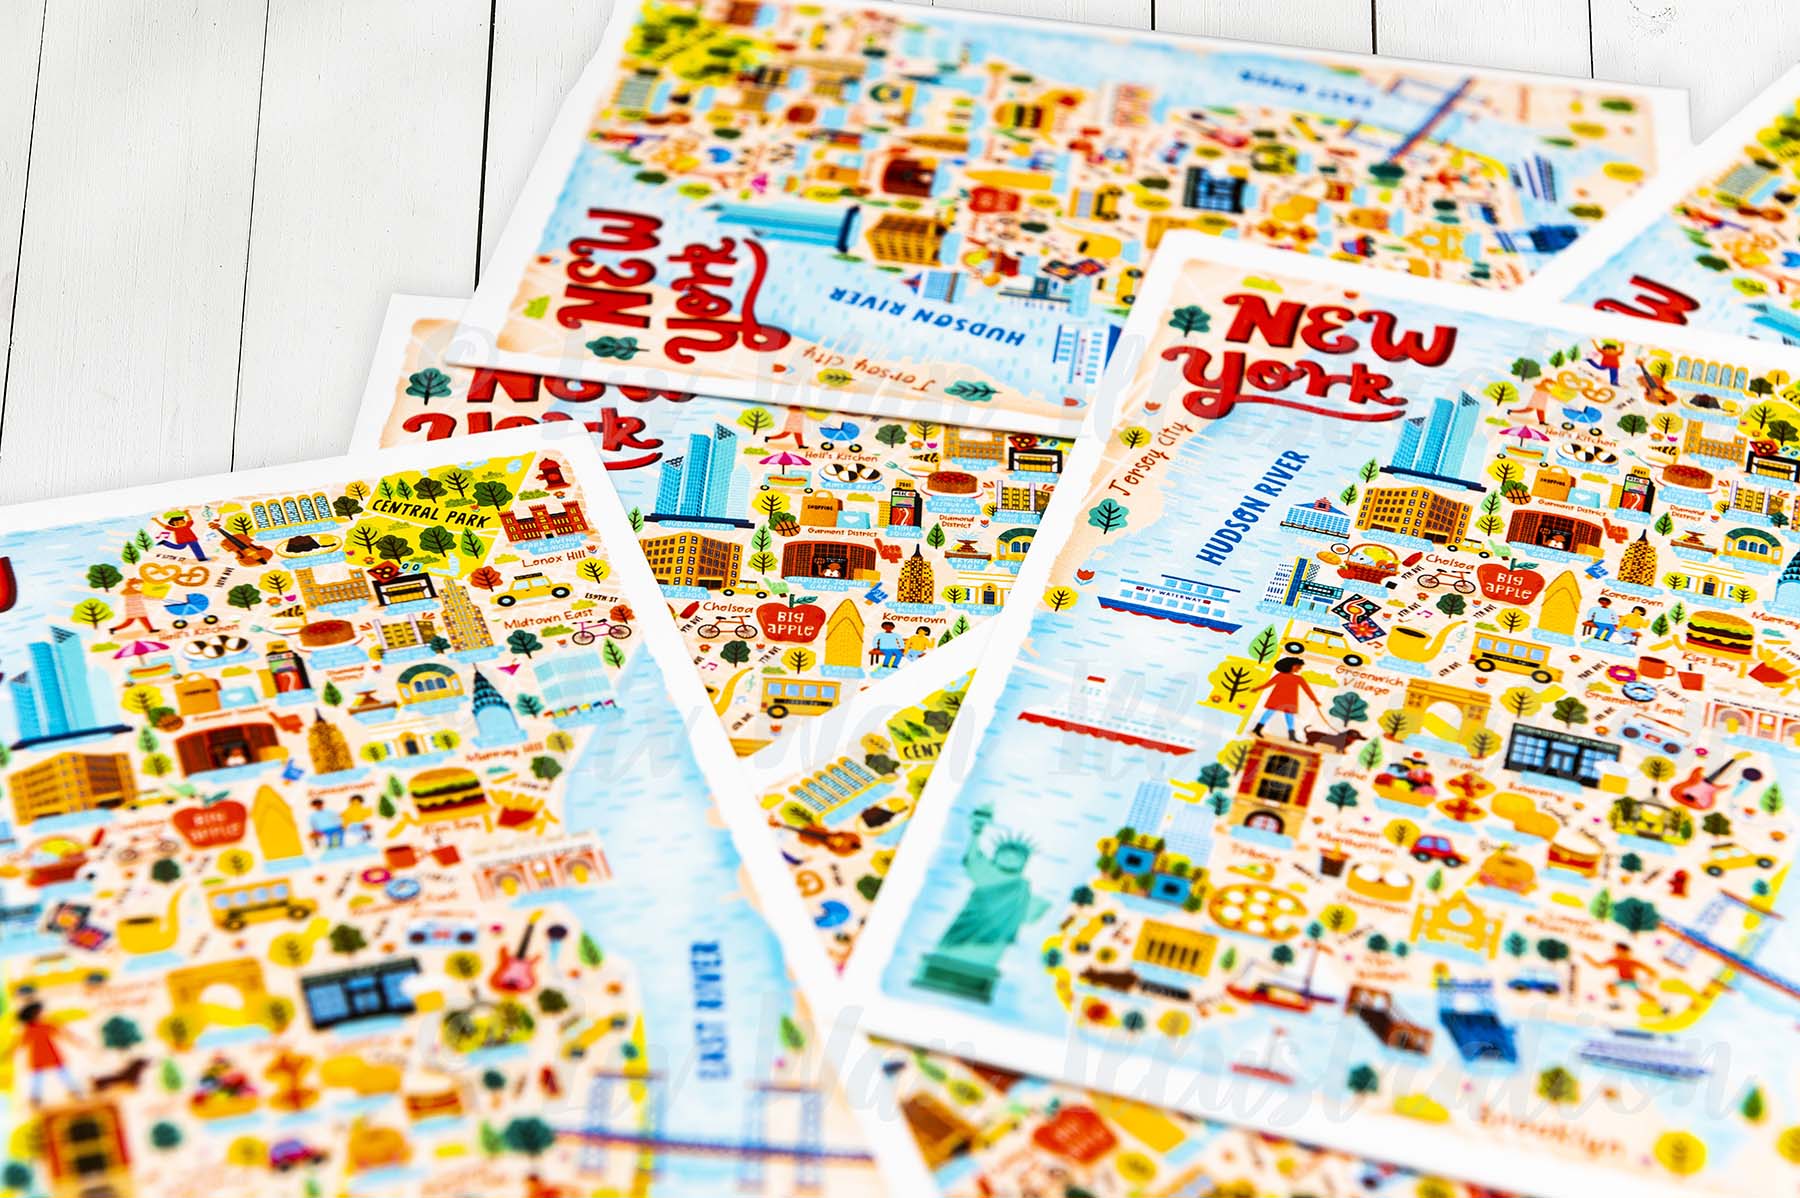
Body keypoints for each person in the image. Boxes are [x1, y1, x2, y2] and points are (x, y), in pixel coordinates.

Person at [12, 1001, 84, 1106]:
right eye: (41, 1012)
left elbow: (64, 1033)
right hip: (40, 1055)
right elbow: (20, 1044)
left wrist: (77, 1041)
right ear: (34, 1015)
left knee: (61, 1073)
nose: (44, 1013)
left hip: (47, 1054)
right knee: (40, 1077)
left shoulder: (46, 1025)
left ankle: (74, 1091)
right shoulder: (31, 1029)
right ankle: (36, 1098)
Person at [1249, 656, 1322, 742]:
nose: (1299, 668)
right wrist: (1257, 689)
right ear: (1292, 666)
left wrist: (1315, 700)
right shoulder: (1281, 676)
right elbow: (1268, 684)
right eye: (1298, 666)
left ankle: (1291, 736)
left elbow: (1307, 690)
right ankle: (1257, 729)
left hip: (1288, 700)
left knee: (1288, 717)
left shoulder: (1298, 678)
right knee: (1270, 713)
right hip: (1278, 698)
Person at [1583, 942, 1658, 1004]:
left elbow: (1652, 971)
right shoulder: (1616, 960)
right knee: (1609, 986)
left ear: (1626, 951)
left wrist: (1650, 979)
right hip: (1621, 980)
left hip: (1633, 981)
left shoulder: (1633, 962)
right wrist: (1588, 958)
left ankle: (1657, 1002)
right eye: (1616, 951)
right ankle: (1616, 1002)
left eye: (1618, 951)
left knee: (1641, 992)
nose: (1616, 953)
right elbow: (1599, 966)